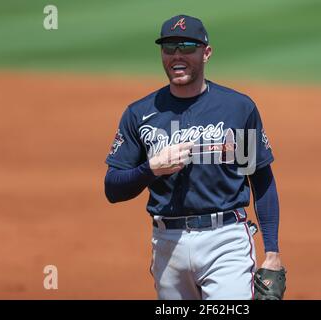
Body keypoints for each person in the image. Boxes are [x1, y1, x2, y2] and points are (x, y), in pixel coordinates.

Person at [104, 14, 285, 300]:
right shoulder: (140, 113)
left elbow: (261, 179)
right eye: (169, 48)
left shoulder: (237, 108)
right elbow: (113, 188)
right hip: (167, 244)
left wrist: (272, 252)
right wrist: (150, 169)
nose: (177, 55)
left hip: (226, 240)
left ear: (206, 52)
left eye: (187, 47)